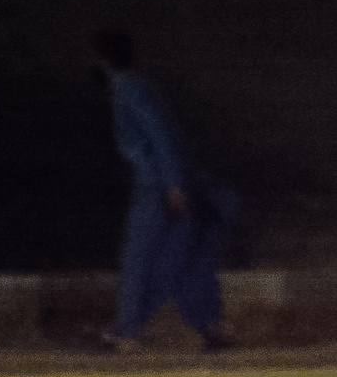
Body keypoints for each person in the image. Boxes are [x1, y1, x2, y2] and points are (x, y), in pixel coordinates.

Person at [92, 27, 234, 354]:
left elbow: (159, 135)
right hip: (173, 182)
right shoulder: (139, 87)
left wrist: (173, 183)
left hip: (155, 185)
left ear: (102, 61)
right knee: (180, 259)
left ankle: (128, 333)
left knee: (138, 259)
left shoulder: (126, 90)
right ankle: (208, 327)